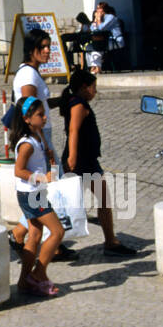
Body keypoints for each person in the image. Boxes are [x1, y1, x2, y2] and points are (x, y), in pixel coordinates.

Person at [9, 28, 75, 260]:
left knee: (47, 189)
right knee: (51, 188)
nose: (48, 51)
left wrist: (62, 100)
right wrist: (44, 145)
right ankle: (50, 241)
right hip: (38, 137)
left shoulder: (32, 72)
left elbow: (42, 106)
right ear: (32, 50)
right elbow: (30, 109)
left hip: (41, 135)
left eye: (49, 46)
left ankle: (19, 233)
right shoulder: (27, 76)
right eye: (43, 47)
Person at [60, 69, 136, 256]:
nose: (95, 91)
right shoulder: (78, 104)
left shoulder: (76, 102)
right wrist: (72, 157)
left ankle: (110, 241)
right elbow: (73, 131)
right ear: (84, 88)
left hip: (88, 160)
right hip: (82, 161)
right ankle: (46, 241)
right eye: (94, 87)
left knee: (101, 200)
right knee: (69, 204)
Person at [10, 96, 64, 297]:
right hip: (32, 195)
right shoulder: (26, 144)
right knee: (57, 232)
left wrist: (50, 159)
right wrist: (43, 177)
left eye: (44, 114)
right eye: (40, 115)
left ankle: (24, 281)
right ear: (27, 118)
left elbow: (45, 161)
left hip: (34, 193)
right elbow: (19, 171)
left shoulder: (37, 136)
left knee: (34, 235)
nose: (45, 118)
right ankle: (39, 273)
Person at [87, 1, 125, 74]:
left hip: (115, 41)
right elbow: (93, 30)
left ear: (104, 10)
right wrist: (95, 21)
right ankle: (93, 66)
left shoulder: (111, 17)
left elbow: (101, 28)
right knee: (89, 47)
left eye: (99, 8)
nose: (97, 10)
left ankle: (97, 68)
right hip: (103, 41)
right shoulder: (99, 18)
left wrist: (98, 20)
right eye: (97, 8)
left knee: (97, 46)